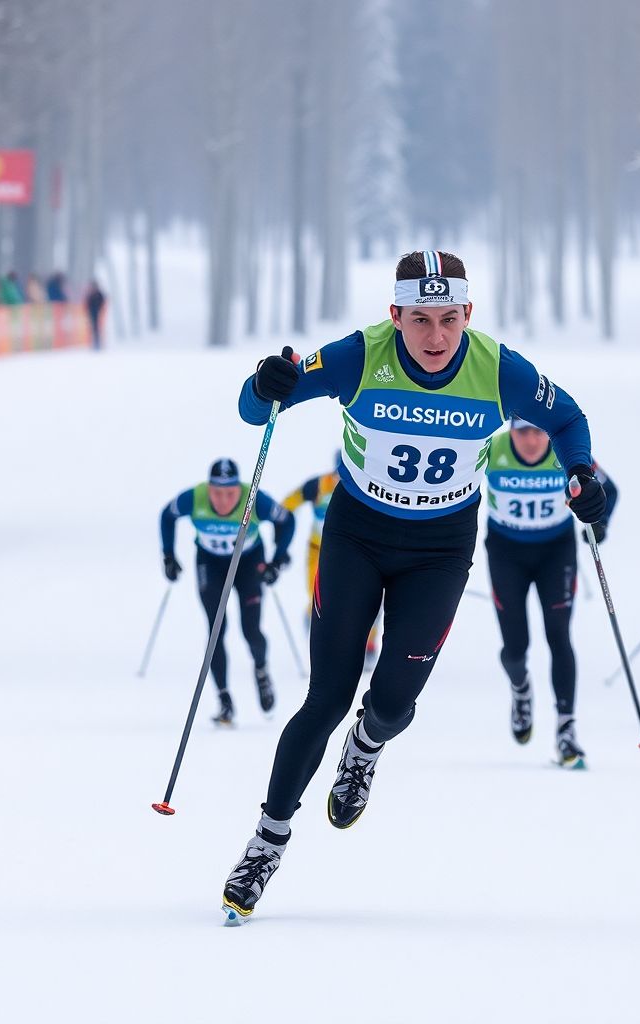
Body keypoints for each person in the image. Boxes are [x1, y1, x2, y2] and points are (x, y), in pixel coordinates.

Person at [221, 250, 607, 921]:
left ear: (469, 316)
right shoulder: (358, 357)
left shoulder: (496, 369)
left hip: (441, 546)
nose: (435, 337)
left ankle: (365, 750)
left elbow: (568, 419)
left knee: (393, 704)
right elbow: (258, 411)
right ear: (394, 315)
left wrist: (582, 473)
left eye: (449, 320)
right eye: (420, 319)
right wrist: (266, 382)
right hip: (356, 537)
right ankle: (267, 842)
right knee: (326, 697)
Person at [484, 417, 618, 768]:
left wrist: (599, 521)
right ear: (511, 432)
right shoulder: (492, 447)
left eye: (538, 432)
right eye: (522, 432)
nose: (530, 441)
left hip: (555, 553)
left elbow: (609, 490)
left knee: (558, 635)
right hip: (505, 551)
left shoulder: (564, 453)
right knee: (515, 650)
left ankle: (566, 729)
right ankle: (521, 689)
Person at [160, 458, 295, 724]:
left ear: (238, 489)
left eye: (230, 493)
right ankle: (224, 699)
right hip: (210, 564)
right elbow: (167, 515)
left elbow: (286, 520)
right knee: (215, 630)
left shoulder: (254, 499)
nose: (222, 500)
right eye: (217, 493)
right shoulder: (195, 497)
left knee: (251, 630)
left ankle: (261, 670)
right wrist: (168, 555)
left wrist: (278, 559)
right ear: (208, 488)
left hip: (248, 563)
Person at [282, 452, 381, 670]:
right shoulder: (318, 485)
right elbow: (288, 505)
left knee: (366, 599)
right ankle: (315, 623)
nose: (340, 479)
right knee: (319, 593)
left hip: (359, 551)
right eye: (338, 474)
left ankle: (368, 644)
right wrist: (280, 527)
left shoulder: (368, 485)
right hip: (320, 550)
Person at [84, 281, 106, 349]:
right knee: (93, 329)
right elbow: (87, 304)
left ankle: (98, 344)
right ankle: (93, 344)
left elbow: (102, 302)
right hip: (92, 314)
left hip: (98, 314)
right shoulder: (90, 294)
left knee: (97, 329)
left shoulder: (99, 294)